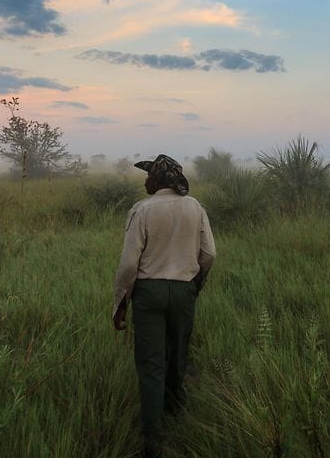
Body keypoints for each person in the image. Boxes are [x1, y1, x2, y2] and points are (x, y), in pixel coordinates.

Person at [112, 154, 216, 457]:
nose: (145, 181)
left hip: (149, 293)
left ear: (157, 180)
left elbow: (129, 263)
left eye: (148, 176)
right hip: (184, 291)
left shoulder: (142, 210)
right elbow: (209, 254)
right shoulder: (195, 207)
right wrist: (195, 284)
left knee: (150, 365)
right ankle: (175, 410)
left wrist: (121, 301)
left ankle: (152, 440)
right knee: (177, 354)